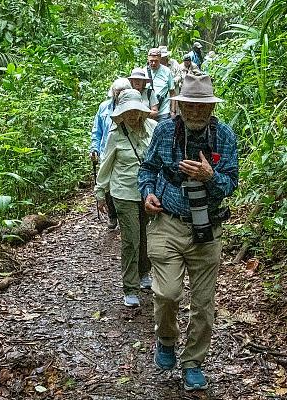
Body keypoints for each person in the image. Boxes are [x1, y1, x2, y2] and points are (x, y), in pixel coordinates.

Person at [138, 74, 237, 391]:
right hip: (168, 221)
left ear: (210, 108)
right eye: (190, 105)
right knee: (167, 293)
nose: (196, 112)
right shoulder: (165, 130)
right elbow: (148, 168)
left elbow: (230, 184)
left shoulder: (224, 136)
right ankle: (166, 339)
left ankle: (193, 362)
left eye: (202, 106)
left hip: (207, 227)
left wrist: (210, 176)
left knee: (204, 304)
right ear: (180, 105)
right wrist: (147, 193)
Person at [96, 89, 157, 307]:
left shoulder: (153, 129)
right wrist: (100, 192)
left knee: (145, 236)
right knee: (131, 238)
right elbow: (106, 164)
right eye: (127, 111)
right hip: (123, 192)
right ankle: (130, 287)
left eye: (135, 110)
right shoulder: (115, 134)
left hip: (148, 192)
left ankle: (143, 273)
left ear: (141, 111)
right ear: (122, 113)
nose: (132, 115)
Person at [91, 78, 133, 229]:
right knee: (107, 183)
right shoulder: (104, 107)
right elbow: (97, 130)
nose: (119, 94)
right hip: (105, 150)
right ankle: (112, 215)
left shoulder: (133, 107)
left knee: (121, 182)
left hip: (125, 151)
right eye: (117, 91)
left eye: (122, 91)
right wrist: (94, 148)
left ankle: (125, 215)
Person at [145, 48, 174, 122]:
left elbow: (172, 92)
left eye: (156, 61)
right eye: (151, 61)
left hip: (164, 111)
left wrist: (173, 110)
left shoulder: (167, 71)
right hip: (148, 112)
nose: (153, 63)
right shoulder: (143, 72)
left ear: (160, 59)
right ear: (148, 59)